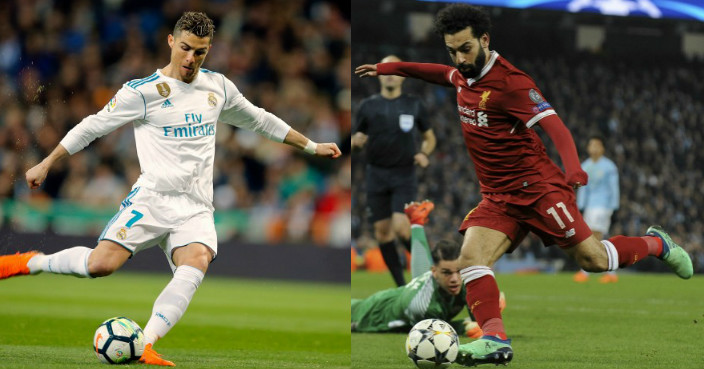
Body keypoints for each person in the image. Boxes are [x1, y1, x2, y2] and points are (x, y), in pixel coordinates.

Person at [355, 4, 692, 367]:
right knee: (470, 259)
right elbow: (437, 72)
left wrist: (574, 168)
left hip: (539, 189)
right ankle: (494, 340)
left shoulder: (512, 82)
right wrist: (390, 67)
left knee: (595, 259)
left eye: (465, 48)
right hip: (498, 197)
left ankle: (657, 243)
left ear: (484, 40)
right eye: (452, 50)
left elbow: (556, 127)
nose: (459, 58)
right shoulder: (462, 75)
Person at [0, 11, 341, 367]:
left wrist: (311, 146)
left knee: (196, 260)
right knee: (99, 265)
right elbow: (93, 126)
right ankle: (31, 262)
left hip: (195, 205)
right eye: (185, 48)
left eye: (201, 52)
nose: (191, 59)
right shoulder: (142, 92)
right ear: (170, 42)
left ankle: (144, 343)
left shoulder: (218, 87)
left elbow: (259, 119)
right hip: (152, 199)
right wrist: (47, 161)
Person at [351, 200, 505, 338]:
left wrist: (487, 306)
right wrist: (466, 327)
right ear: (434, 271)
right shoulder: (423, 305)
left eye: (458, 271)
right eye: (446, 272)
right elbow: (435, 333)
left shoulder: (463, 280)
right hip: (370, 315)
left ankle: (417, 222)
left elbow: (477, 321)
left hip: (397, 297)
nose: (454, 279)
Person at [352, 55, 436, 287]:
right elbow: (354, 139)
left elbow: (429, 138)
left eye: (394, 69)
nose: (389, 73)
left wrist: (424, 153)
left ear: (402, 76)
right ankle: (401, 286)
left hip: (403, 174)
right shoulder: (367, 106)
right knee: (382, 233)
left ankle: (432, 270)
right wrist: (355, 141)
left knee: (401, 229)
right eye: (385, 69)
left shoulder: (414, 104)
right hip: (375, 173)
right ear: (379, 73)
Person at [573, 136, 620, 283]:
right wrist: (580, 207)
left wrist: (614, 207)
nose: (593, 148)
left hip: (603, 206)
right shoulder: (585, 166)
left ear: (602, 148)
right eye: (591, 145)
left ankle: (586, 272)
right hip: (589, 207)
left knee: (595, 237)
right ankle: (611, 272)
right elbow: (583, 189)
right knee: (594, 238)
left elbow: (614, 188)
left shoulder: (609, 167)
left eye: (596, 145)